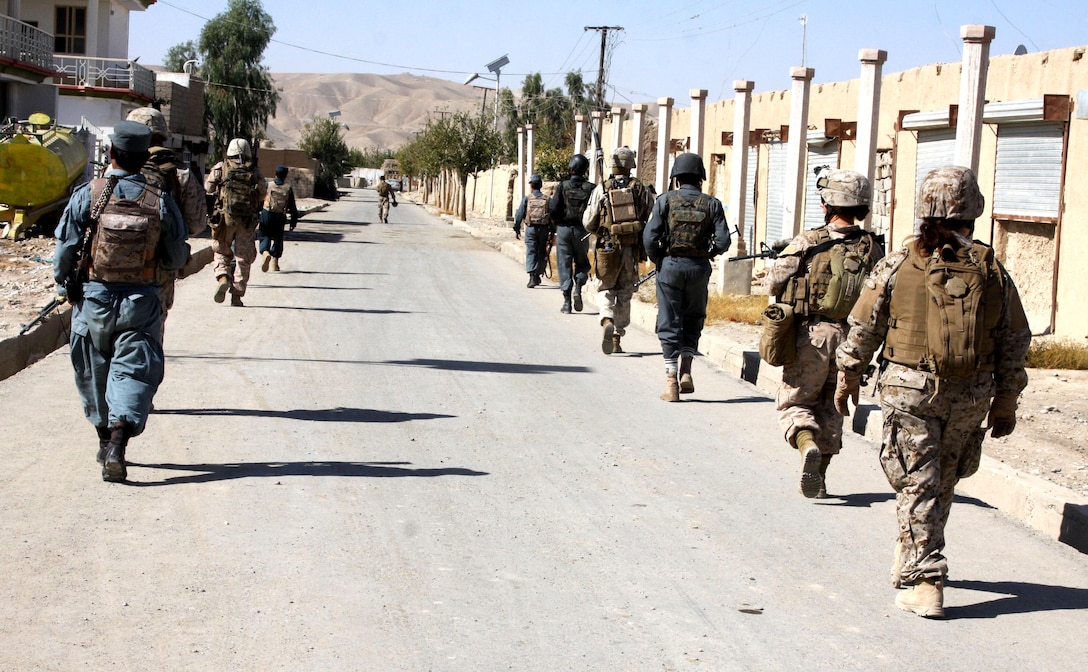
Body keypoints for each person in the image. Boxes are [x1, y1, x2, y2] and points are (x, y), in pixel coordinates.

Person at [835, 166, 1031, 619]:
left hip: (909, 390)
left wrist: (847, 376)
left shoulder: (898, 263)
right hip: (971, 393)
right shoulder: (990, 268)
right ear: (972, 211)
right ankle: (912, 556)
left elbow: (864, 327)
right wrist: (1005, 400)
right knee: (940, 480)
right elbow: (1014, 339)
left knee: (915, 480)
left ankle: (926, 579)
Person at [52, 121, 189, 482]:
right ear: (144, 157)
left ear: (111, 153)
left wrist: (64, 283)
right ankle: (117, 443)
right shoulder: (159, 200)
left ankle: (102, 436)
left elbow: (65, 249)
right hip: (141, 301)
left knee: (94, 369)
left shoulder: (89, 193)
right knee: (133, 370)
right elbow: (176, 257)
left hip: (93, 299)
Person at [763, 168, 885, 498]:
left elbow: (773, 282)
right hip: (853, 341)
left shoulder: (809, 241)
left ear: (828, 204)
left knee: (797, 402)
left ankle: (806, 447)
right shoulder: (874, 249)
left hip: (812, 336)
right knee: (833, 408)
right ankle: (822, 476)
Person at [642, 152, 730, 400]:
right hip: (699, 268)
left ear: (676, 178)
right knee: (693, 318)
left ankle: (671, 383)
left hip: (670, 266)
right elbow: (724, 240)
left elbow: (649, 237)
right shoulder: (712, 203)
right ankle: (687, 371)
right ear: (700, 177)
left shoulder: (664, 201)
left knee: (669, 321)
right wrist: (709, 253)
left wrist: (658, 259)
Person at [126, 106, 207, 318]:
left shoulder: (116, 169)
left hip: (113, 269)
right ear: (162, 135)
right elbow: (197, 224)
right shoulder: (180, 173)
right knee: (150, 334)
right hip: (158, 270)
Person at [583, 146, 654, 354]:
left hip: (606, 247)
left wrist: (601, 230)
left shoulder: (601, 188)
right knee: (624, 293)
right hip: (631, 250)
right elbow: (652, 218)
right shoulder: (641, 189)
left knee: (605, 288)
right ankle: (617, 336)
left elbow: (588, 221)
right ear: (631, 164)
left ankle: (606, 319)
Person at [205, 138, 265, 307]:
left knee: (222, 250)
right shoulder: (254, 171)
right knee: (243, 257)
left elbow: (208, 188)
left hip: (225, 219)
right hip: (246, 221)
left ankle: (223, 276)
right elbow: (262, 192)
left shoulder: (221, 167)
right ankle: (237, 295)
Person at [548, 154, 594, 313]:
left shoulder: (563, 186)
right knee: (582, 262)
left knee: (564, 264)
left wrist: (555, 224)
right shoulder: (591, 188)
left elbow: (553, 209)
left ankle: (567, 302)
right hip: (583, 231)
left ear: (571, 169)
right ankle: (578, 288)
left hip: (564, 230)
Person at [513, 174, 551, 288]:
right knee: (541, 252)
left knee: (531, 251)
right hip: (544, 229)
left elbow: (519, 214)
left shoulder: (527, 198)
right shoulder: (547, 199)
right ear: (541, 185)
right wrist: (552, 231)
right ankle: (538, 274)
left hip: (531, 229)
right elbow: (553, 215)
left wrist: (516, 228)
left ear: (531, 186)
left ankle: (532, 276)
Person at [259, 165, 299, 272]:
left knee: (264, 234)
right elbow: (292, 207)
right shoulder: (288, 188)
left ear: (275, 174)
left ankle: (265, 252)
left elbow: (259, 199)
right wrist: (293, 222)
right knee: (278, 238)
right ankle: (274, 263)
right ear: (285, 176)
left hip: (266, 213)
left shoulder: (268, 185)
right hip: (280, 216)